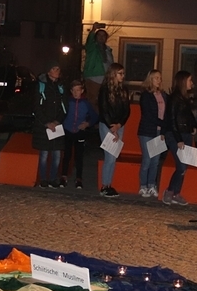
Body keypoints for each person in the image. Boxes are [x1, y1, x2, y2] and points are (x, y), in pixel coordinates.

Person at [163, 70, 197, 205]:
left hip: (186, 133)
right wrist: (178, 139)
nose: (191, 83)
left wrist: (193, 126)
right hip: (176, 135)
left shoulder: (185, 97)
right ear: (183, 82)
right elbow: (172, 120)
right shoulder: (174, 98)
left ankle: (176, 192)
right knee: (181, 166)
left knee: (184, 166)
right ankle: (170, 191)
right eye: (189, 80)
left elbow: (188, 115)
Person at [97, 63, 130, 198]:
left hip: (119, 126)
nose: (122, 76)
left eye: (123, 73)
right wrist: (112, 127)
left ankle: (109, 184)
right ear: (113, 74)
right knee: (109, 156)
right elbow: (104, 110)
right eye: (120, 73)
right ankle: (104, 186)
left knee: (114, 156)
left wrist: (120, 124)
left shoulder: (123, 90)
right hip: (107, 125)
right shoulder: (105, 90)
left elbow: (127, 110)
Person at [32, 61, 66, 188]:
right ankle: (43, 179)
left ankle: (53, 178)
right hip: (44, 126)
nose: (57, 71)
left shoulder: (61, 86)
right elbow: (36, 106)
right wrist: (46, 122)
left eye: (58, 68)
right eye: (54, 68)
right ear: (48, 71)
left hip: (57, 125)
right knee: (44, 154)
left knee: (57, 154)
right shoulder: (41, 85)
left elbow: (64, 106)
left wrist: (57, 121)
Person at [60, 79, 98, 189]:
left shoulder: (86, 103)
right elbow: (61, 113)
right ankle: (63, 177)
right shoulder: (68, 102)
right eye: (74, 90)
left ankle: (79, 179)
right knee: (66, 155)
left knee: (79, 156)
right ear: (71, 91)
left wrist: (87, 123)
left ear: (82, 91)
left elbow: (95, 116)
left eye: (78, 90)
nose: (76, 92)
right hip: (68, 130)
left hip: (80, 132)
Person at [137, 69, 168, 198]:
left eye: (160, 78)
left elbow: (166, 113)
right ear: (150, 79)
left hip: (159, 131)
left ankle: (152, 184)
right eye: (156, 78)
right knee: (147, 159)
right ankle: (143, 185)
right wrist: (162, 123)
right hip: (147, 130)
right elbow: (148, 114)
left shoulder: (163, 95)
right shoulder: (146, 95)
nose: (158, 80)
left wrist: (163, 129)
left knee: (155, 161)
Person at [82, 23, 114, 108]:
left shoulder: (108, 50)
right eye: (99, 35)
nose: (101, 37)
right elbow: (89, 41)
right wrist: (93, 30)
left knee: (103, 101)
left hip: (106, 79)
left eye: (103, 35)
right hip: (94, 77)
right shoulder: (92, 47)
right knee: (93, 100)